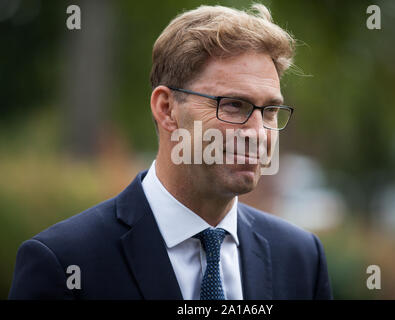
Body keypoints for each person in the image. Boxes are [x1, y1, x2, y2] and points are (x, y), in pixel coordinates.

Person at [9, 3, 332, 300]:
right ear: (166, 109)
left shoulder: (301, 259)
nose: (258, 133)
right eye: (234, 105)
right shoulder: (63, 263)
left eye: (270, 110)